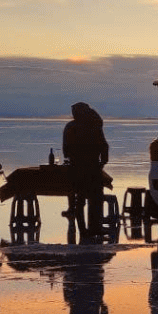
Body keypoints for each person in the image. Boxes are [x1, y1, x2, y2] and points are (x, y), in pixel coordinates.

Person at [63, 102, 109, 240]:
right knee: (94, 199)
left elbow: (66, 151)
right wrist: (102, 162)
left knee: (81, 200)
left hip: (78, 167)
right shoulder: (94, 124)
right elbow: (104, 146)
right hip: (92, 167)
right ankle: (94, 228)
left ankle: (85, 230)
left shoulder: (71, 127)